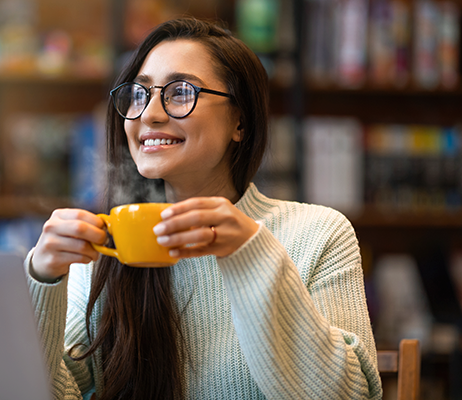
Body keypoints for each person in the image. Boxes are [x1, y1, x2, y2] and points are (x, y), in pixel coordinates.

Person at [25, 17, 382, 400]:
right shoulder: (104, 249)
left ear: (240, 121)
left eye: (180, 92)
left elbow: (351, 395)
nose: (149, 115)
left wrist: (251, 254)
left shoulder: (319, 233)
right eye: (140, 94)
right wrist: (42, 279)